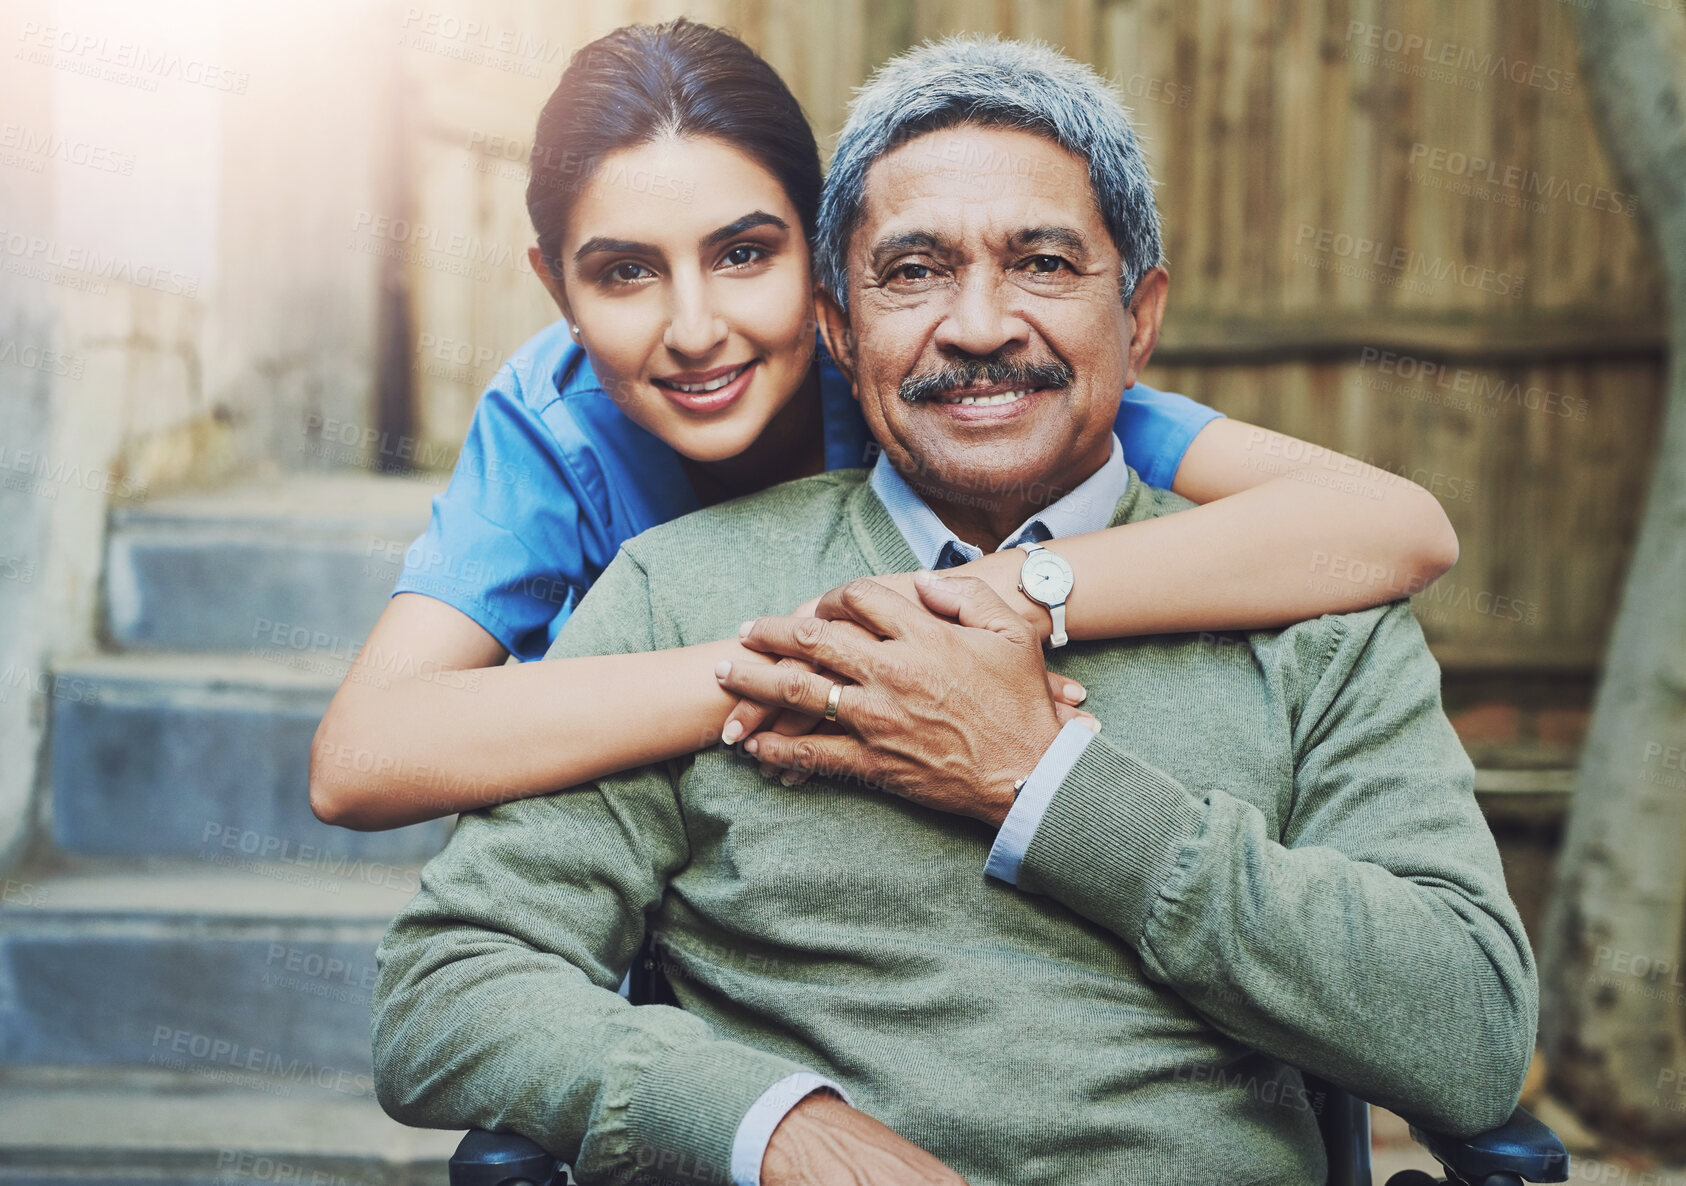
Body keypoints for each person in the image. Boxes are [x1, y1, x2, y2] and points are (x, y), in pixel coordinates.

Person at [371, 36, 1534, 1186]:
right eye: (915, 271)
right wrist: (770, 1123)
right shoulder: (675, 588)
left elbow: (1472, 1031)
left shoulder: (1310, 610)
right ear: (838, 325)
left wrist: (1050, 783)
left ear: (1139, 320)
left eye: (1041, 264)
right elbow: (449, 986)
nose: (978, 327)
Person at [310, 19, 1459, 831]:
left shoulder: (951, 391)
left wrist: (1012, 593)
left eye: (743, 254)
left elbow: (1392, 525)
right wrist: (811, 665)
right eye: (623, 274)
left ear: (830, 277)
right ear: (558, 290)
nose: (695, 328)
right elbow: (360, 762)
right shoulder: (555, 422)